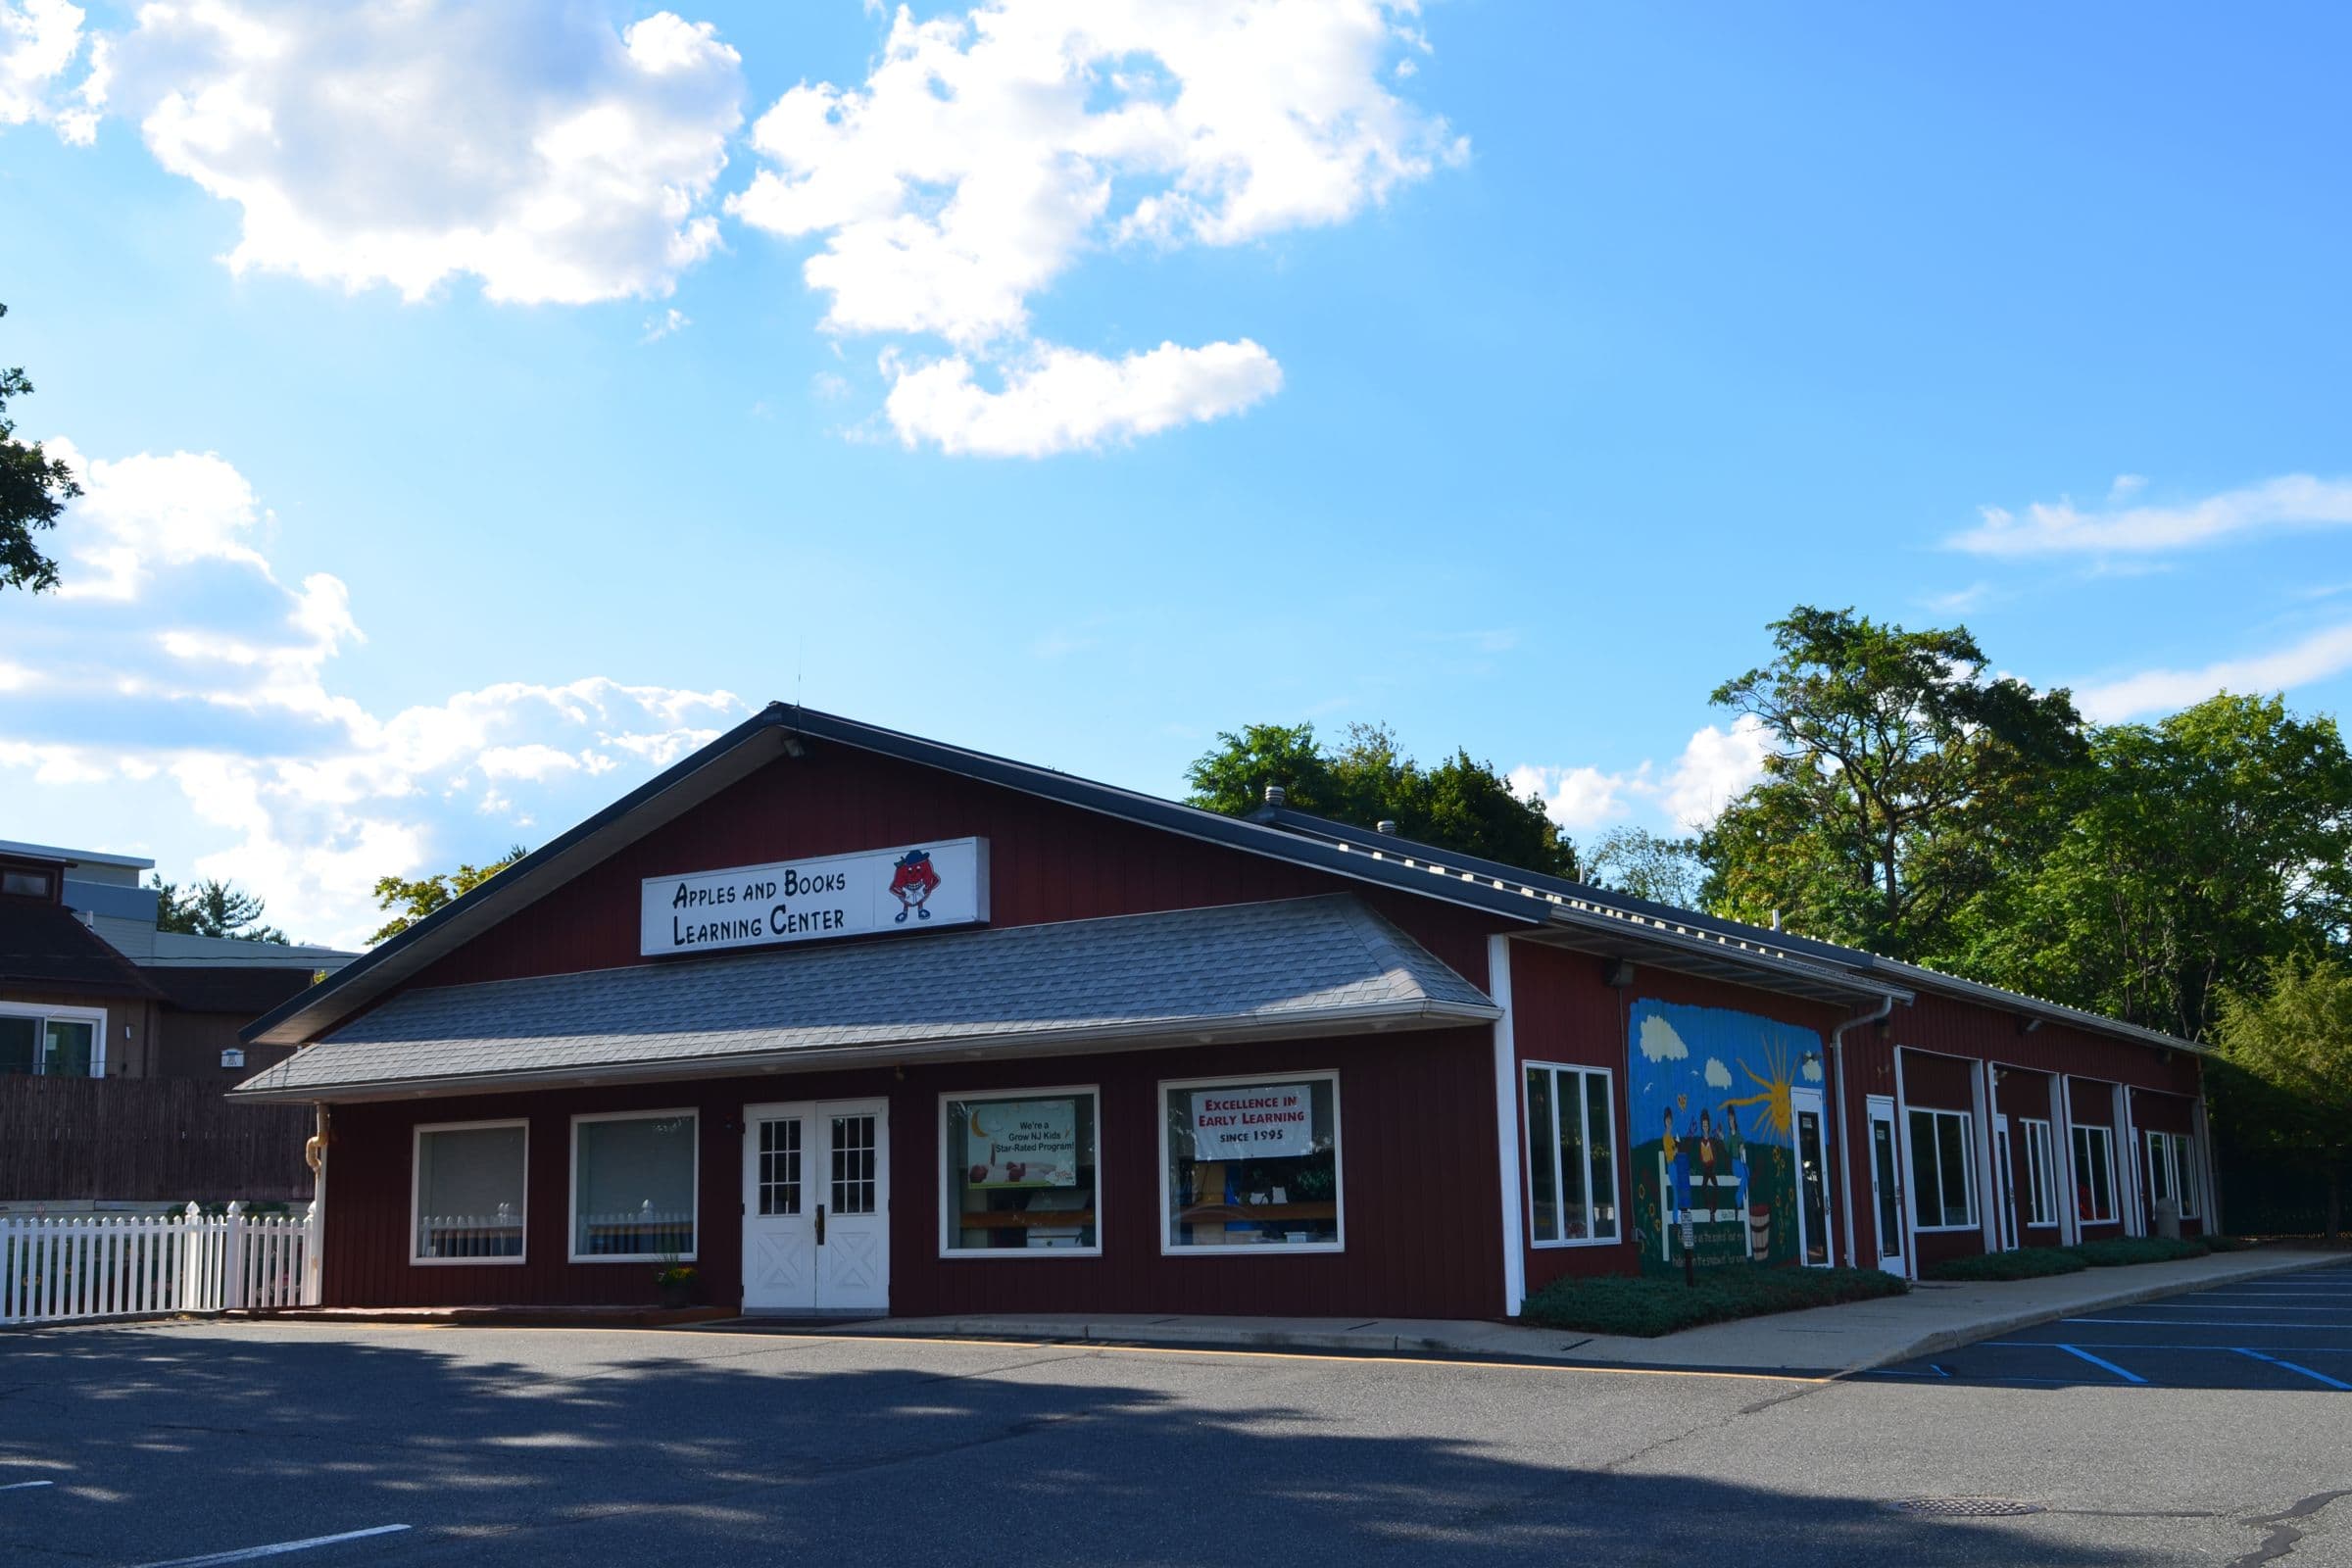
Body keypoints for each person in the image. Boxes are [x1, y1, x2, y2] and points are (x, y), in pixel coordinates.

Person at [1725, 1104, 1750, 1256]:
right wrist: (1722, 1137)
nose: (1730, 1121)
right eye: (1728, 1119)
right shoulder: (1729, 1136)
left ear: (1734, 1118)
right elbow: (1726, 1148)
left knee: (1747, 1172)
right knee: (1746, 1173)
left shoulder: (1738, 1133)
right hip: (1734, 1163)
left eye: (1731, 1118)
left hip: (1740, 1162)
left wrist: (1742, 1146)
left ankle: (1737, 1200)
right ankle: (1738, 1199)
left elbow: (1742, 1141)